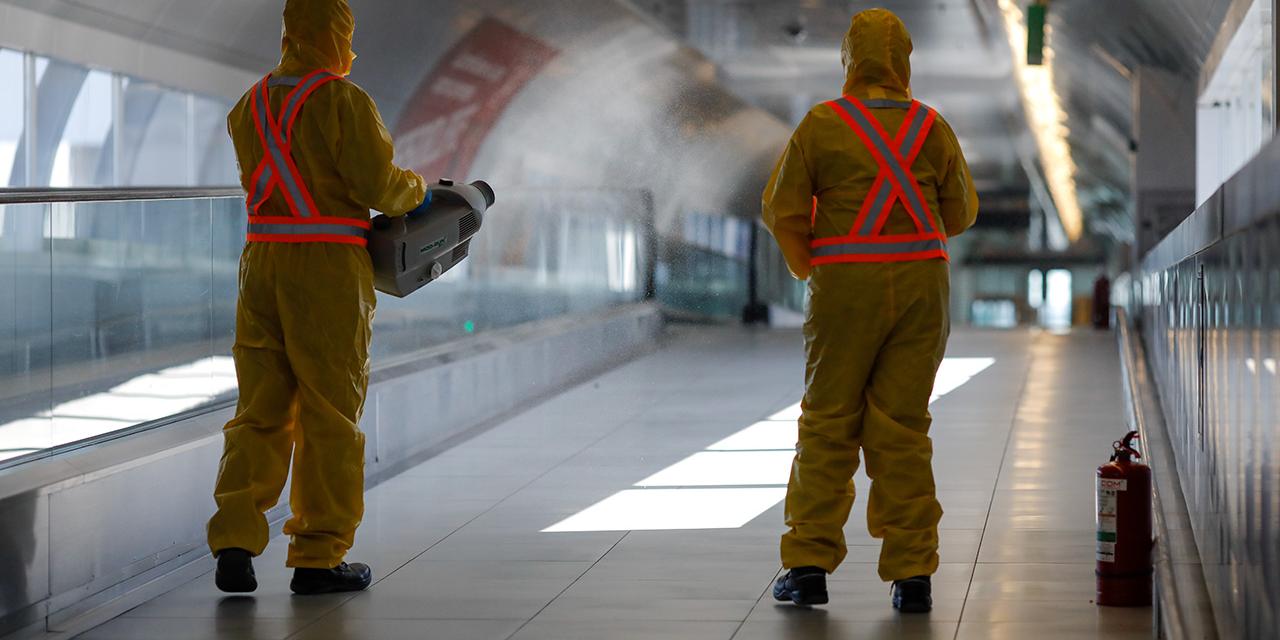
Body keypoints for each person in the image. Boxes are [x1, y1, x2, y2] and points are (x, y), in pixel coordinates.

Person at [206, 0, 428, 595]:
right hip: (326, 268)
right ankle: (318, 555)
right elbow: (379, 185)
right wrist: (420, 188)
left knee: (260, 408)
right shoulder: (342, 102)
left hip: (260, 265)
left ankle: (234, 536)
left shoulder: (246, 107)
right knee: (330, 411)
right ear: (334, 35)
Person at [761, 9, 979, 612]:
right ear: (904, 60)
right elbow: (959, 214)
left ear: (850, 60)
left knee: (829, 421)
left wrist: (812, 266)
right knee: (903, 427)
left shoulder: (822, 125)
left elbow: (780, 210)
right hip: (921, 290)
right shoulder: (931, 128)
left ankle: (806, 566)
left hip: (844, 292)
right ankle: (912, 576)